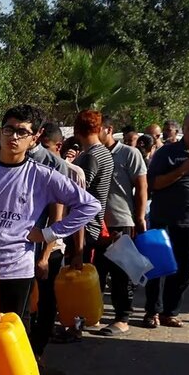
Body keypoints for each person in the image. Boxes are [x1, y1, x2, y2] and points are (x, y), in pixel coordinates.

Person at [0, 104, 99, 375]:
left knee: (3, 336)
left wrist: (48, 235)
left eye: (22, 132)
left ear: (34, 138)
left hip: (16, 268)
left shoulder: (42, 176)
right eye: (8, 129)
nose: (13, 137)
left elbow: (89, 205)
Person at [98, 113, 149, 337]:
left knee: (121, 274)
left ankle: (122, 319)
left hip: (121, 222)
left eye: (96, 130)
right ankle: (92, 314)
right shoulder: (93, 154)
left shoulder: (130, 153)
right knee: (97, 272)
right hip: (96, 224)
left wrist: (139, 219)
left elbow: (141, 188)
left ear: (108, 130)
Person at [141, 113, 189, 329]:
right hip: (164, 221)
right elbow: (152, 184)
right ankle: (152, 311)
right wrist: (182, 170)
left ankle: (171, 312)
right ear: (184, 130)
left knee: (183, 271)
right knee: (158, 268)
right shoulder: (168, 153)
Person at [74, 110, 114, 273]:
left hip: (85, 228)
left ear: (77, 131)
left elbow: (78, 197)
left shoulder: (91, 157)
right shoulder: (104, 153)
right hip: (94, 224)